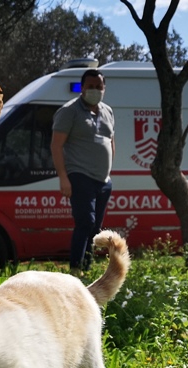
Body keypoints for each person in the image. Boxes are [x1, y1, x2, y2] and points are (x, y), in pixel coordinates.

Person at [51, 69, 116, 275]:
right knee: (85, 222)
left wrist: (108, 171)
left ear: (104, 88)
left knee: (95, 228)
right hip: (80, 175)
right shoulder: (69, 111)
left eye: (99, 87)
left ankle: (87, 268)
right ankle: (75, 268)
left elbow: (111, 141)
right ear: (82, 88)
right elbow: (56, 145)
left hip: (103, 180)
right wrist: (64, 177)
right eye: (90, 86)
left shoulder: (108, 111)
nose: (95, 90)